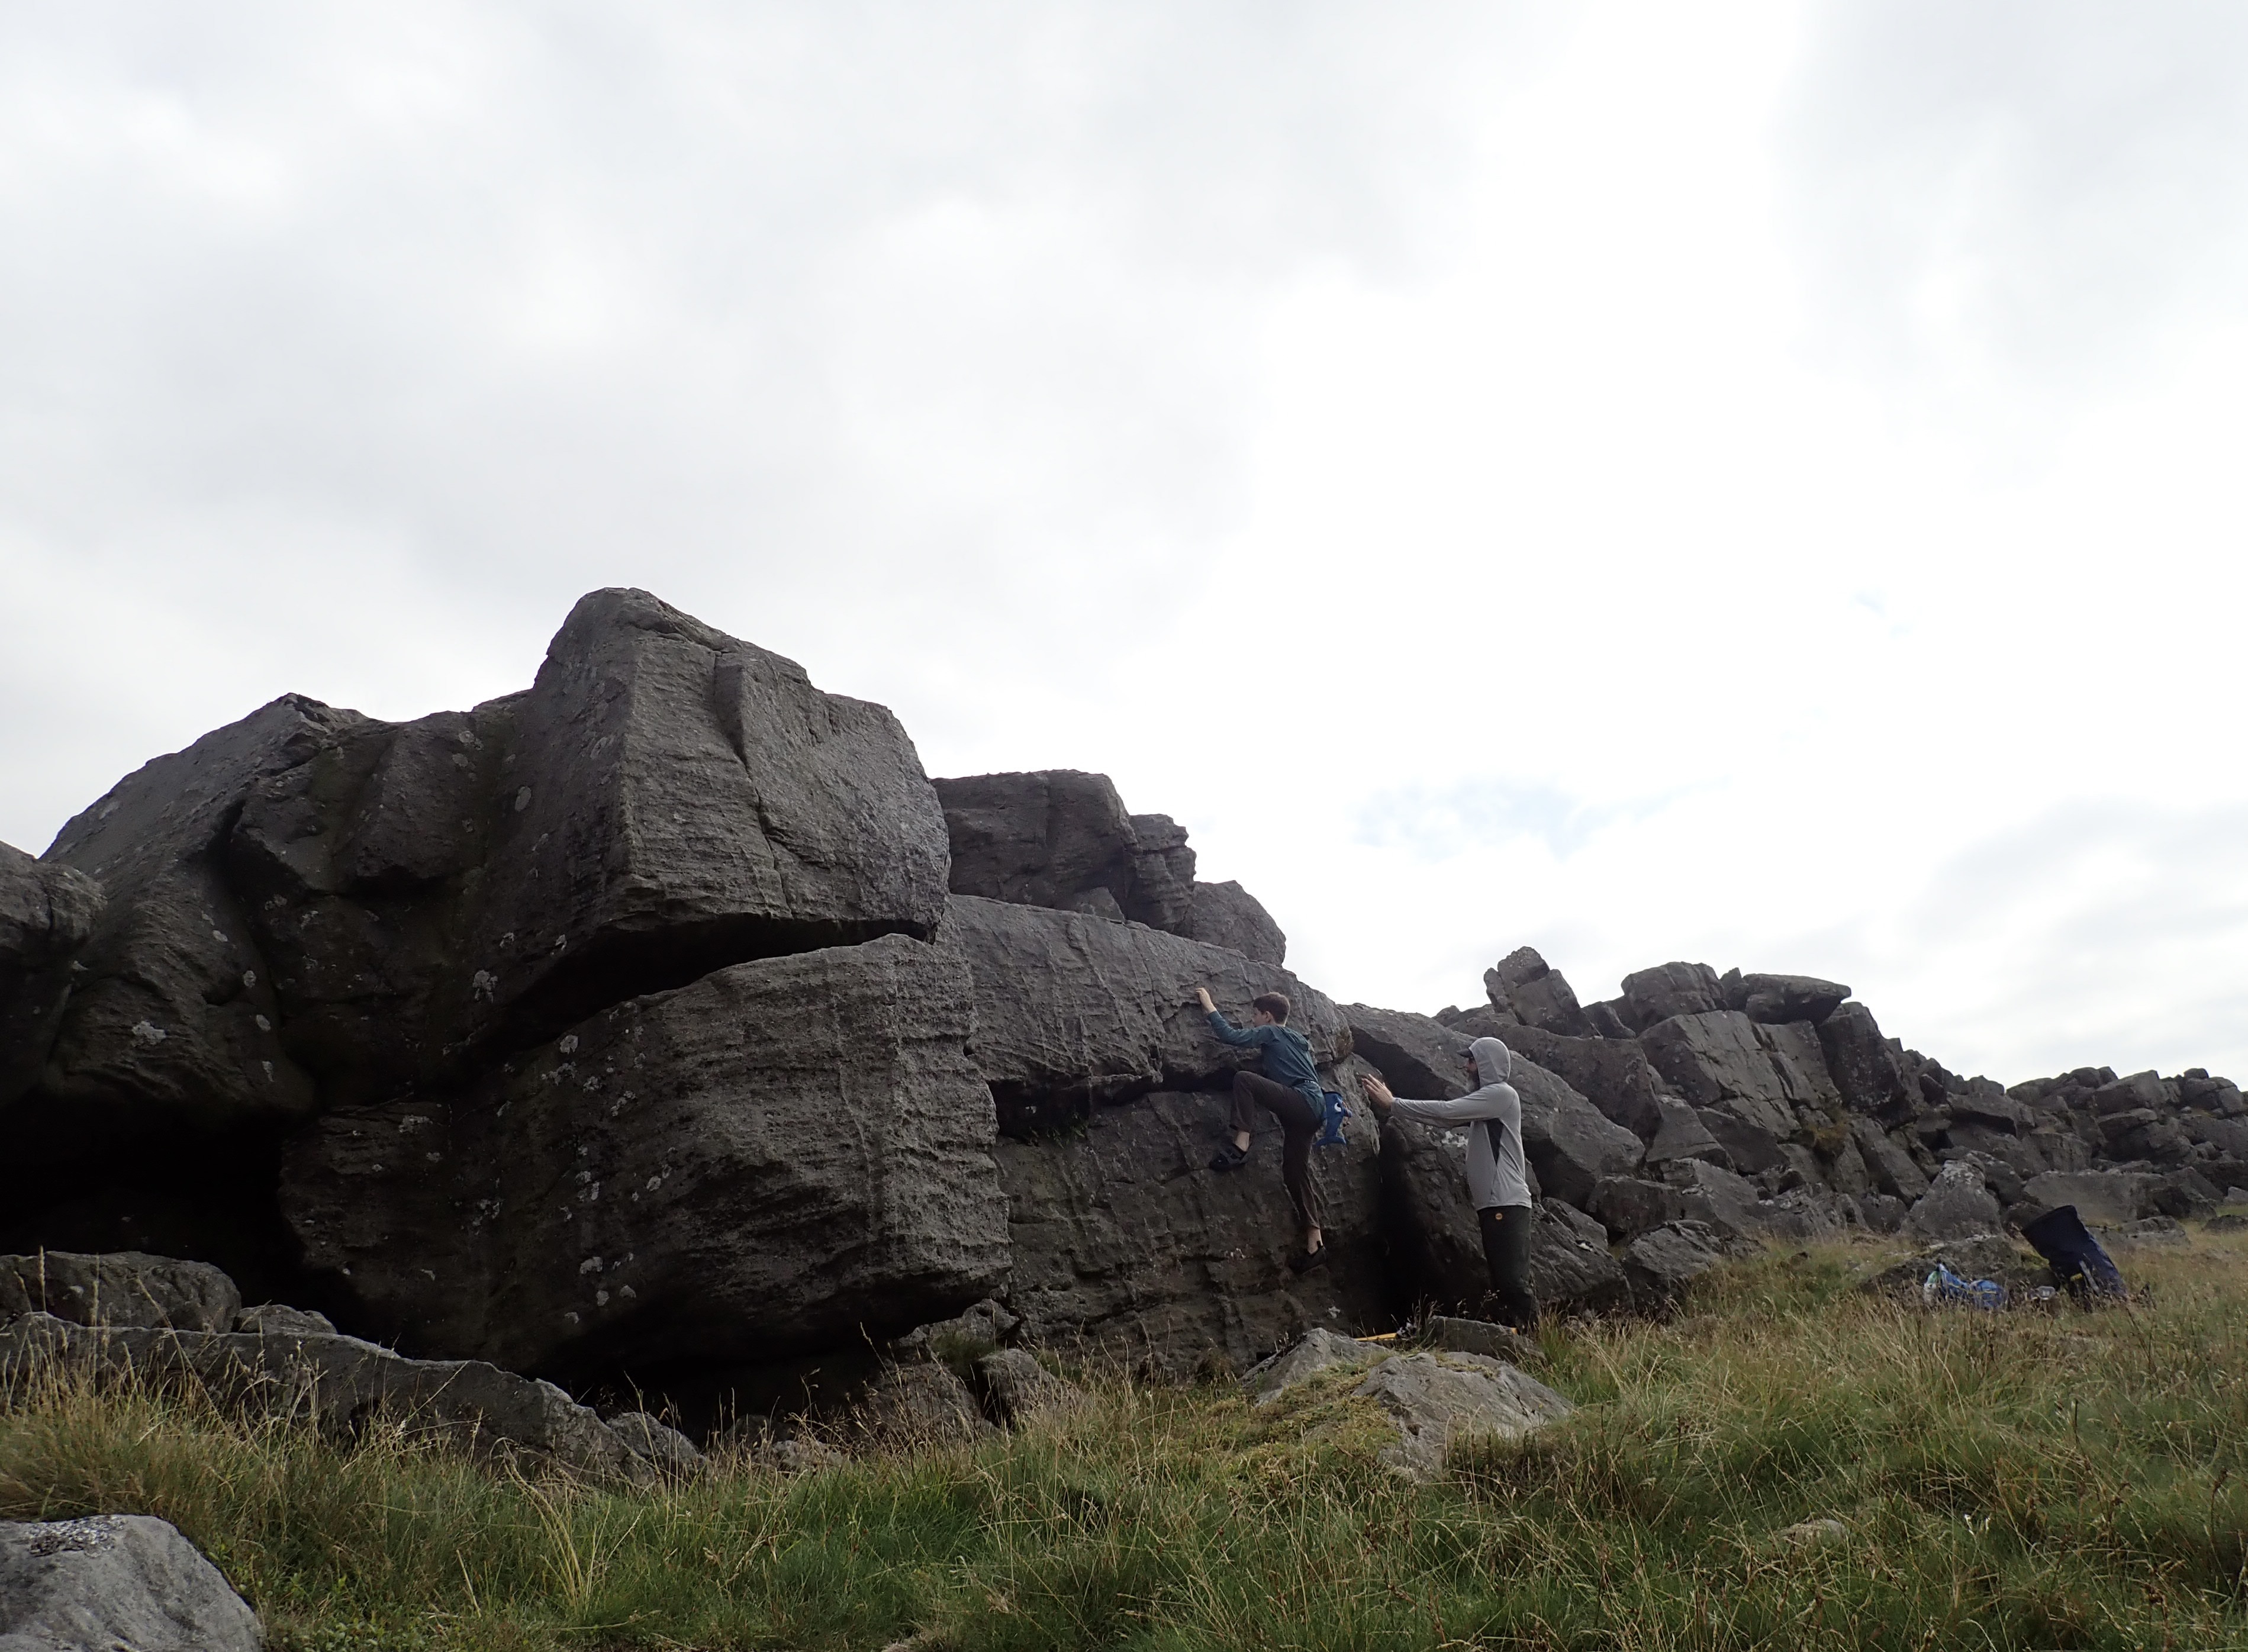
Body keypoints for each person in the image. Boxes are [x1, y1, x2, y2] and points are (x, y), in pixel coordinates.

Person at [1360, 1036, 1540, 1331]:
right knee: (1505, 1282)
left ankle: (1537, 1348)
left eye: (1471, 1061)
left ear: (1486, 1065)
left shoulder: (1501, 1095)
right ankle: (1521, 1343)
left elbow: (1447, 1113)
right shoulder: (1490, 1100)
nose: (1465, 1066)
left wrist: (1394, 1104)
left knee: (1513, 1283)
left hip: (1506, 1203)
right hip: (1496, 1204)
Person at [1196, 986, 1329, 1273]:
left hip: (1301, 1100)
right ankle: (1315, 1242)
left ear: (1267, 1016)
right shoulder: (1299, 1041)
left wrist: (1209, 1006)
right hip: (1314, 1108)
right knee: (1295, 1172)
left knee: (1244, 1079)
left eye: (1254, 1016)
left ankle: (1241, 1145)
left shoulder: (1271, 1033)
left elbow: (1231, 1037)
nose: (1252, 1021)